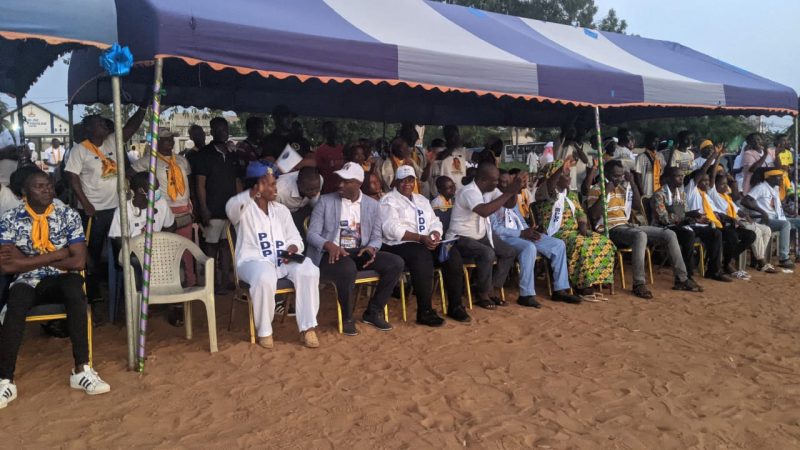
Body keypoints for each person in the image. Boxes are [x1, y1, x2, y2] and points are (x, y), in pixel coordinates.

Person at [0, 170, 110, 409]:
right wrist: (59, 254)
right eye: (39, 186)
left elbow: (78, 261)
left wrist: (26, 258)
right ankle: (5, 380)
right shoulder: (10, 218)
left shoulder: (67, 214)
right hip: (27, 280)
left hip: (61, 277)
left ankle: (81, 370)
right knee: (16, 300)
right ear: (24, 193)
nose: (47, 190)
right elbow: (6, 265)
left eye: (49, 185)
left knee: (74, 290)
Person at [226, 162, 320, 349]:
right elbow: (231, 208)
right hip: (253, 261)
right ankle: (265, 331)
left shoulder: (281, 210)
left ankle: (308, 327)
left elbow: (295, 237)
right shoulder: (244, 208)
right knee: (264, 276)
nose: (275, 189)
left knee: (308, 269)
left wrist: (292, 248)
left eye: (274, 184)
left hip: (282, 259)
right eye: (270, 185)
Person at [306, 162, 403, 335]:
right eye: (340, 180)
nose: (340, 184)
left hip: (359, 252)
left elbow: (376, 237)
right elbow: (311, 234)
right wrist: (329, 245)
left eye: (346, 181)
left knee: (395, 263)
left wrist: (372, 248)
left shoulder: (373, 205)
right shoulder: (326, 201)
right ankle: (347, 318)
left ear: (358, 184)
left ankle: (373, 312)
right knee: (347, 267)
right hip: (330, 255)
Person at [65, 107, 147, 303]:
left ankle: (124, 290)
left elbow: (131, 127)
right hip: (93, 211)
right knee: (92, 252)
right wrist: (85, 203)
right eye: (99, 122)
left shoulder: (112, 141)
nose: (104, 124)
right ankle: (93, 292)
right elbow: (72, 177)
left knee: (122, 247)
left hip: (117, 208)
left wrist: (143, 108)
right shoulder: (80, 150)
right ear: (89, 129)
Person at [587, 160, 700, 299]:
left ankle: (681, 279)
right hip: (610, 229)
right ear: (606, 174)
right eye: (616, 176)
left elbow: (637, 206)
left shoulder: (623, 189)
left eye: (621, 175)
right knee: (640, 235)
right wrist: (606, 192)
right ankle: (638, 284)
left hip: (627, 226)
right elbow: (593, 215)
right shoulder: (596, 189)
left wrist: (632, 183)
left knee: (669, 234)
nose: (619, 179)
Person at [380, 166, 470, 324]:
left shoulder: (421, 199)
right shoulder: (388, 200)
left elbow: (434, 221)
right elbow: (390, 229)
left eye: (410, 180)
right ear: (396, 182)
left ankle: (455, 306)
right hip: (398, 244)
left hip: (424, 242)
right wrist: (421, 238)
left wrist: (435, 234)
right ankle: (425, 311)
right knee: (421, 255)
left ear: (414, 181)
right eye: (402, 180)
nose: (407, 184)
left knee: (451, 253)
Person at [491, 169, 582, 307]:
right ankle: (526, 295)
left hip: (521, 233)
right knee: (529, 248)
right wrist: (521, 234)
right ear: (496, 183)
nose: (505, 185)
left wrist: (529, 230)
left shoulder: (511, 197)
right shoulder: (491, 198)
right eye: (502, 182)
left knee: (558, 244)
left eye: (508, 182)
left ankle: (560, 290)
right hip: (505, 237)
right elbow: (495, 229)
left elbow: (519, 219)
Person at [535, 160, 616, 297]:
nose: (570, 177)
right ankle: (581, 284)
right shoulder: (545, 193)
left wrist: (583, 226)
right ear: (555, 176)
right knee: (580, 244)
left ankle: (596, 279)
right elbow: (550, 184)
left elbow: (580, 213)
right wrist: (561, 168)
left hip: (575, 231)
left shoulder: (571, 195)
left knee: (605, 242)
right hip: (556, 233)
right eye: (566, 175)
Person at [445, 162, 518, 309]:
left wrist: (514, 188)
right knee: (487, 253)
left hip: (482, 234)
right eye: (495, 180)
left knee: (509, 252)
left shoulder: (489, 190)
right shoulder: (468, 191)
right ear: (483, 180)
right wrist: (508, 192)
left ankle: (492, 288)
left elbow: (509, 204)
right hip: (460, 238)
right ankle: (482, 294)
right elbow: (484, 211)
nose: (497, 183)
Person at [132, 130, 195, 286]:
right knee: (166, 249)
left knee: (186, 247)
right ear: (157, 142)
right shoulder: (148, 161)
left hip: (183, 209)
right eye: (166, 140)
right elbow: (130, 176)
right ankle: (168, 283)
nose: (170, 142)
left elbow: (189, 182)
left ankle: (190, 279)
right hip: (163, 210)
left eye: (171, 139)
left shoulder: (181, 160)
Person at [190, 117, 240, 293]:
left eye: (225, 129)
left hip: (230, 211)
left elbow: (236, 181)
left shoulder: (232, 154)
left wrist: (240, 205)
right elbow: (199, 184)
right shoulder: (204, 155)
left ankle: (224, 283)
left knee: (227, 247)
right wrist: (203, 208)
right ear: (211, 132)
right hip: (212, 210)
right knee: (211, 247)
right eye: (218, 129)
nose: (222, 132)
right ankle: (210, 284)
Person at [683, 163, 740, 282]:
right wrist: (714, 155)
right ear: (696, 181)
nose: (707, 183)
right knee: (720, 234)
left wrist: (730, 219)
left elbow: (716, 211)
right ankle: (718, 266)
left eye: (708, 180)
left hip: (705, 225)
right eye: (703, 181)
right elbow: (701, 172)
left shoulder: (705, 195)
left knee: (719, 233)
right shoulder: (691, 191)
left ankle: (714, 270)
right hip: (692, 225)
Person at [711, 172, 774, 272]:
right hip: (729, 223)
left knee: (766, 230)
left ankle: (757, 259)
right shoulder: (713, 194)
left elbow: (737, 210)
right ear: (715, 185)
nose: (725, 186)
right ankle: (761, 262)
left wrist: (745, 215)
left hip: (739, 220)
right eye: (722, 184)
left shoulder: (726, 197)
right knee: (756, 231)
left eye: (726, 184)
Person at [742, 169, 800, 269]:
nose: (781, 179)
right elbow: (745, 200)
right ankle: (784, 258)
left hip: (776, 217)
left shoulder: (774, 188)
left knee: (798, 221)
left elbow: (775, 205)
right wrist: (761, 211)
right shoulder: (761, 187)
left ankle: (797, 253)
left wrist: (788, 211)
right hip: (763, 220)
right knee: (785, 225)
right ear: (770, 178)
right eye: (778, 176)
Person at [275, 166, 322, 235]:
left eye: (317, 189)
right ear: (298, 183)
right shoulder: (279, 192)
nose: (314, 193)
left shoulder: (318, 180)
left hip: (303, 210)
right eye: (309, 190)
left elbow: (315, 202)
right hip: (282, 216)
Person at [315, 121, 345, 194]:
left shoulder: (342, 149)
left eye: (333, 130)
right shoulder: (320, 151)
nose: (331, 133)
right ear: (324, 134)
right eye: (328, 131)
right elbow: (317, 171)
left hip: (342, 189)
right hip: (327, 190)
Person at [633, 131, 665, 197]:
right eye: (654, 142)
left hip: (658, 191)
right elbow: (637, 176)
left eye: (657, 142)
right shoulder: (641, 157)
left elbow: (663, 173)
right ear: (647, 142)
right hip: (646, 190)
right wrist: (641, 192)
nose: (656, 144)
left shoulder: (660, 156)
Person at [437, 125, 469, 191]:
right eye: (453, 136)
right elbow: (440, 157)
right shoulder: (440, 151)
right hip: (446, 192)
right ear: (446, 137)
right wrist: (452, 146)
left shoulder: (462, 151)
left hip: (461, 191)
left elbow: (478, 156)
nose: (457, 138)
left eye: (457, 136)